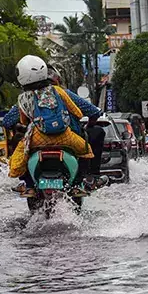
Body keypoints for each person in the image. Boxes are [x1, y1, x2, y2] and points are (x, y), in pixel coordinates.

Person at [7, 55, 95, 198]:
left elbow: (18, 121)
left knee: (20, 157)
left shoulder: (23, 98)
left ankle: (28, 185)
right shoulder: (59, 91)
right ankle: (79, 184)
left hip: (36, 140)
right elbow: (79, 112)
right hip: (65, 137)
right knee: (86, 150)